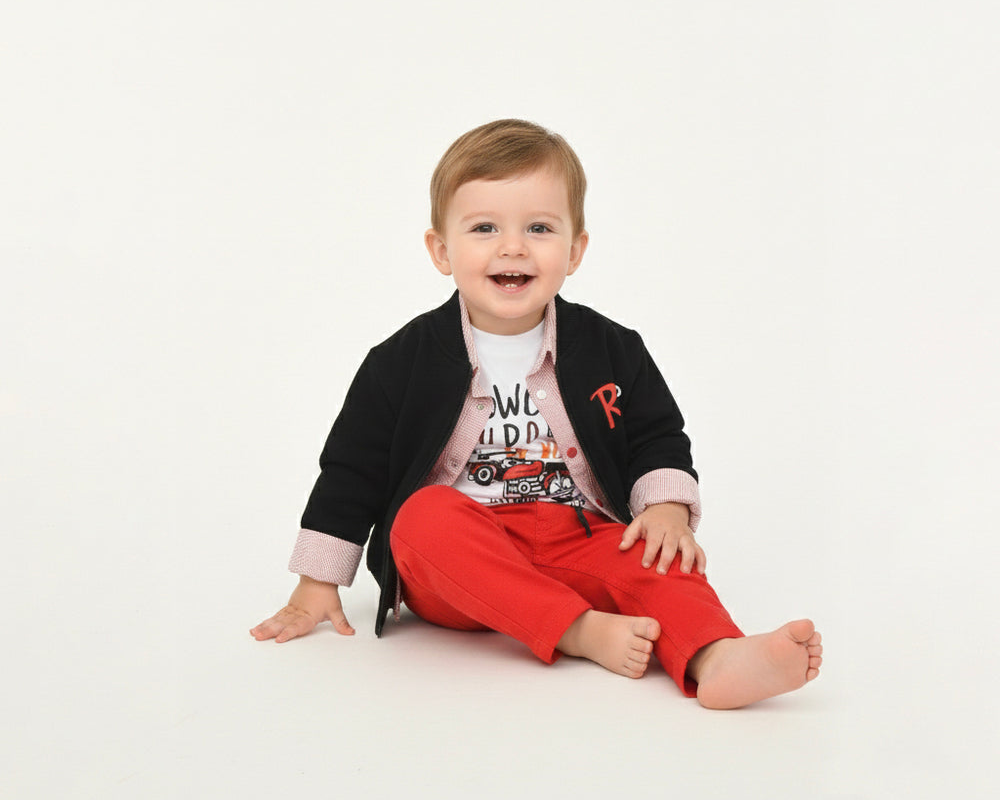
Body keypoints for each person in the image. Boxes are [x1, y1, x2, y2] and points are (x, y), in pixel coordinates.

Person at [251, 119, 823, 709]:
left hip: (578, 536)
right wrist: (317, 581)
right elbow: (352, 470)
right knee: (421, 519)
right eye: (485, 228)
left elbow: (657, 434)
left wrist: (667, 510)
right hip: (462, 564)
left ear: (574, 251)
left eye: (539, 228)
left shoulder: (613, 348)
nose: (513, 247)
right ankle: (577, 630)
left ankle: (717, 655)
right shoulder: (399, 361)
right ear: (441, 251)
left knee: (656, 558)